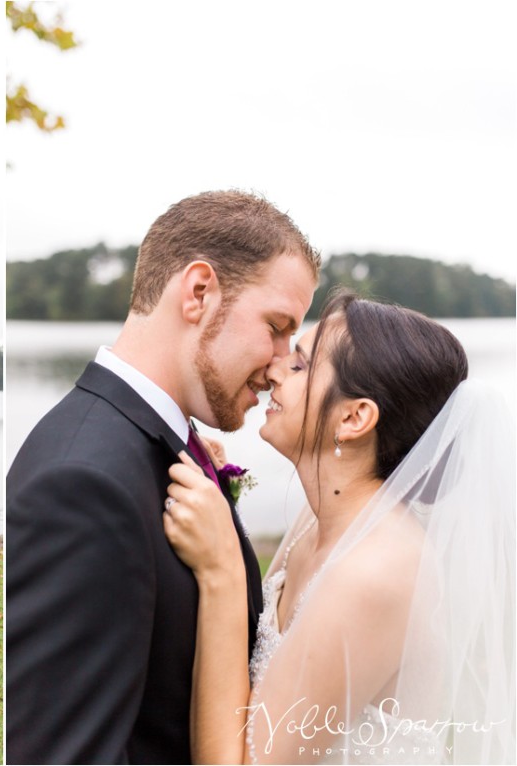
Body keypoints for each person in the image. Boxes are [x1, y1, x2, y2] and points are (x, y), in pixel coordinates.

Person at [6, 190, 321, 764]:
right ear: (199, 292)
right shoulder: (83, 485)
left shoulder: (157, 443)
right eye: (276, 327)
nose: (280, 364)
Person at [163, 290, 516, 764]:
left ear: (354, 417)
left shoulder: (377, 570)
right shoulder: (319, 522)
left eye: (300, 366)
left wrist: (221, 571)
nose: (273, 369)